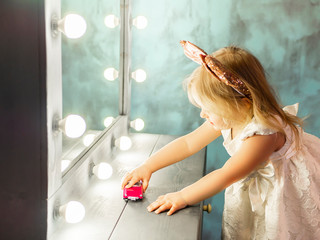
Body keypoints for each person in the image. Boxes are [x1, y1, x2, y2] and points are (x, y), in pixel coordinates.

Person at [121, 40, 320, 239]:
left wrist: (182, 196)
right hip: (256, 186)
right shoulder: (232, 114)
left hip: (284, 191)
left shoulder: (263, 133)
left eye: (209, 109)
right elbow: (189, 143)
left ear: (241, 104)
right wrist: (148, 166)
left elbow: (226, 174)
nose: (203, 115)